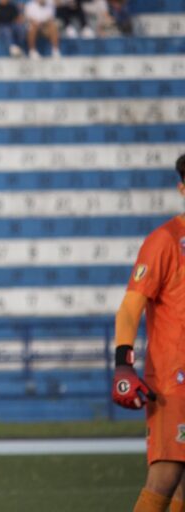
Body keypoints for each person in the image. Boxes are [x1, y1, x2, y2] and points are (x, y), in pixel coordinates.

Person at [112, 154, 185, 512]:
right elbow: (130, 307)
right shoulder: (166, 240)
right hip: (176, 382)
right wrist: (123, 365)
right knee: (166, 473)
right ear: (182, 189)